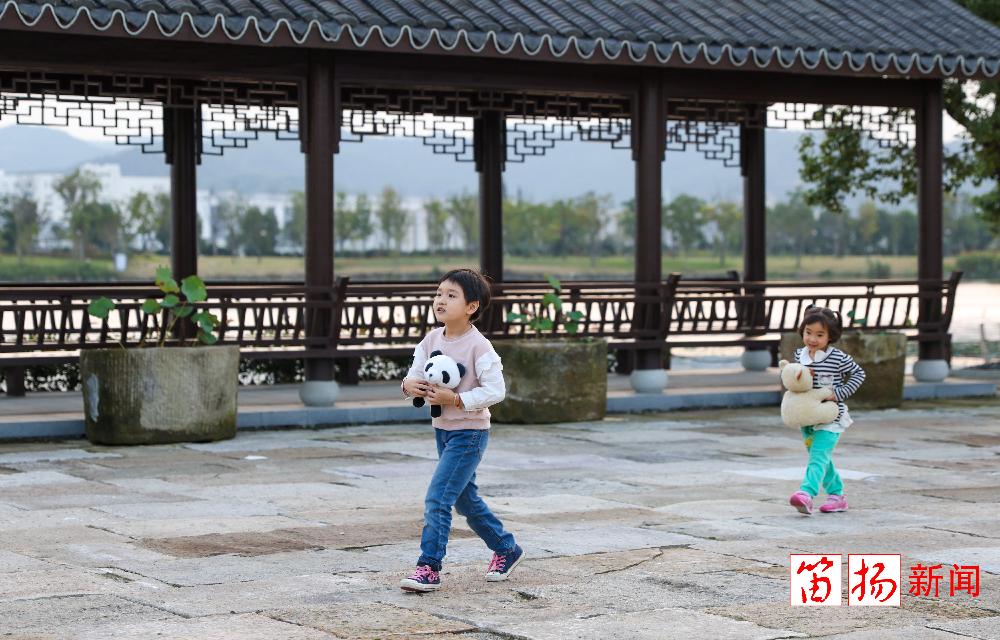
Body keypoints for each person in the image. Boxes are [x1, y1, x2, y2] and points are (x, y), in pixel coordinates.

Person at [398, 268, 523, 592]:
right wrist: (409, 385)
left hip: (470, 433)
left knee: (438, 497)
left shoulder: (479, 346)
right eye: (439, 293)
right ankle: (506, 548)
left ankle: (429, 566)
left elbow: (496, 391)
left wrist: (455, 399)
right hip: (443, 429)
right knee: (465, 501)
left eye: (451, 295)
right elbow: (414, 374)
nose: (441, 300)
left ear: (471, 306)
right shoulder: (431, 339)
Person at [788, 306, 866, 516]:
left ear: (830, 336)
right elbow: (795, 381)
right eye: (808, 332)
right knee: (821, 459)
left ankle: (806, 493)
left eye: (819, 335)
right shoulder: (800, 355)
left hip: (831, 417)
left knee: (818, 457)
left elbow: (859, 374)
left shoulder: (837, 357)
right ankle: (837, 496)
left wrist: (839, 393)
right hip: (808, 418)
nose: (812, 339)